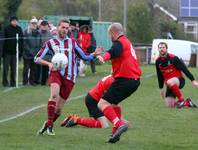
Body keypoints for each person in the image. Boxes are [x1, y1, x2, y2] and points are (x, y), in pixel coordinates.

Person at [35, 19, 101, 136]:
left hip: (70, 77)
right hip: (56, 73)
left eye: (67, 28)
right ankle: (50, 126)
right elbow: (37, 58)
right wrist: (49, 64)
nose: (65, 30)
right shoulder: (50, 43)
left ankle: (47, 124)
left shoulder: (72, 42)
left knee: (59, 109)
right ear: (58, 27)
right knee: (54, 95)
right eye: (63, 27)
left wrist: (94, 55)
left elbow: (85, 57)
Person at [96, 23, 141, 143]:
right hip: (134, 81)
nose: (109, 37)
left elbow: (113, 51)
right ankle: (114, 135)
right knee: (114, 103)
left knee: (102, 103)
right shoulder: (127, 42)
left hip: (125, 80)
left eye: (109, 35)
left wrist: (103, 57)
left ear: (112, 33)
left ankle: (118, 124)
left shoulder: (119, 42)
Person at [60, 75, 126, 129]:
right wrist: (120, 120)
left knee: (103, 123)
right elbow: (114, 103)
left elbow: (115, 103)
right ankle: (76, 119)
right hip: (92, 101)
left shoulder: (114, 78)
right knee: (104, 125)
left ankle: (75, 119)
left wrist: (120, 120)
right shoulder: (113, 81)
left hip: (97, 101)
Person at [155, 42, 198, 108]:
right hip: (170, 85)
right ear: (158, 49)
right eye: (160, 48)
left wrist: (193, 80)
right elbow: (159, 75)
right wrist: (161, 88)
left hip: (179, 80)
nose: (161, 49)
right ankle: (187, 102)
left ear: (166, 48)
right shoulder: (157, 61)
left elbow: (184, 69)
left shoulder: (173, 58)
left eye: (163, 47)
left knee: (169, 81)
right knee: (170, 106)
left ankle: (181, 100)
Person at [2, 16, 23, 87]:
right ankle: (5, 82)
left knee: (14, 69)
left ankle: (13, 83)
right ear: (10, 21)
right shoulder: (6, 29)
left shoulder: (19, 29)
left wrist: (20, 52)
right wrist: (2, 53)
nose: (15, 22)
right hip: (7, 53)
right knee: (5, 68)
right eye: (13, 21)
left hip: (15, 53)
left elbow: (21, 41)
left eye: (16, 21)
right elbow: (3, 41)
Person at [23, 18, 42, 86]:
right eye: (32, 23)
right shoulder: (26, 32)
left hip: (35, 54)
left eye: (35, 23)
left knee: (34, 69)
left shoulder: (38, 33)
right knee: (26, 69)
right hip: (27, 54)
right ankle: (25, 82)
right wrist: (30, 51)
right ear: (30, 24)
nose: (34, 25)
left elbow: (40, 43)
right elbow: (24, 44)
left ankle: (32, 82)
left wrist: (38, 52)